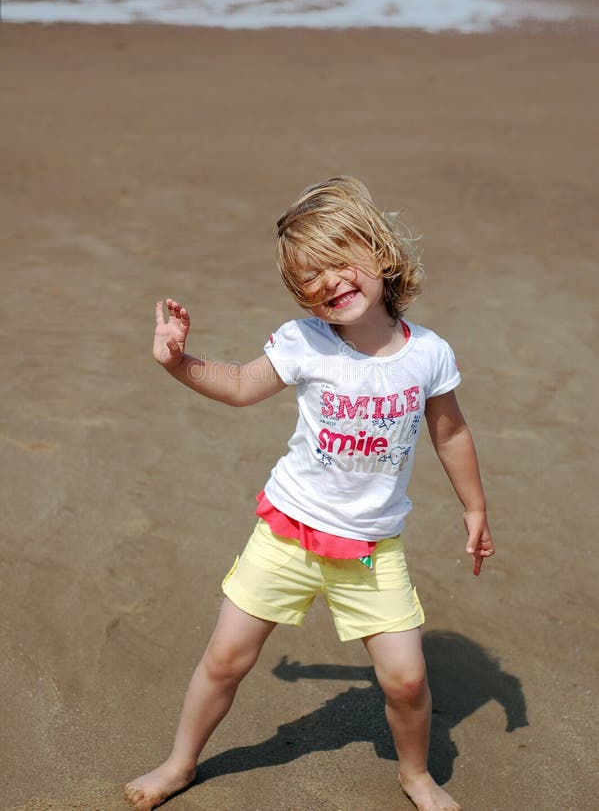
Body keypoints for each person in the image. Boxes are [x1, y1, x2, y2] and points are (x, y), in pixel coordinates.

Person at [125, 176, 495, 811]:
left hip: (373, 546)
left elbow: (450, 431)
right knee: (226, 659)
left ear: (380, 253)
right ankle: (180, 762)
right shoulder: (304, 342)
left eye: (339, 261)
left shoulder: (428, 354)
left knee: (405, 679)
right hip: (286, 533)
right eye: (309, 277)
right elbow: (241, 384)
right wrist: (178, 362)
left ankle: (415, 775)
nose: (329, 282)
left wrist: (475, 507)